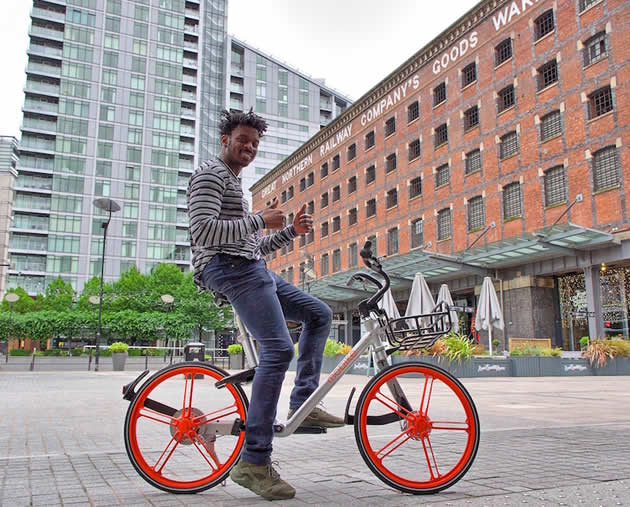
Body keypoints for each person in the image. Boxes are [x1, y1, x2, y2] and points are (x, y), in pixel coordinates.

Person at [187, 109, 344, 501]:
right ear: (225, 140)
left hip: (249, 265)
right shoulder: (209, 175)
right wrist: (260, 220)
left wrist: (289, 231)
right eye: (243, 140)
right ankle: (254, 461)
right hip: (227, 269)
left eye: (255, 143)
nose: (249, 148)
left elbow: (251, 245)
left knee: (318, 313)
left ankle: (304, 403)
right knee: (277, 350)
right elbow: (203, 230)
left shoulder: (236, 185)